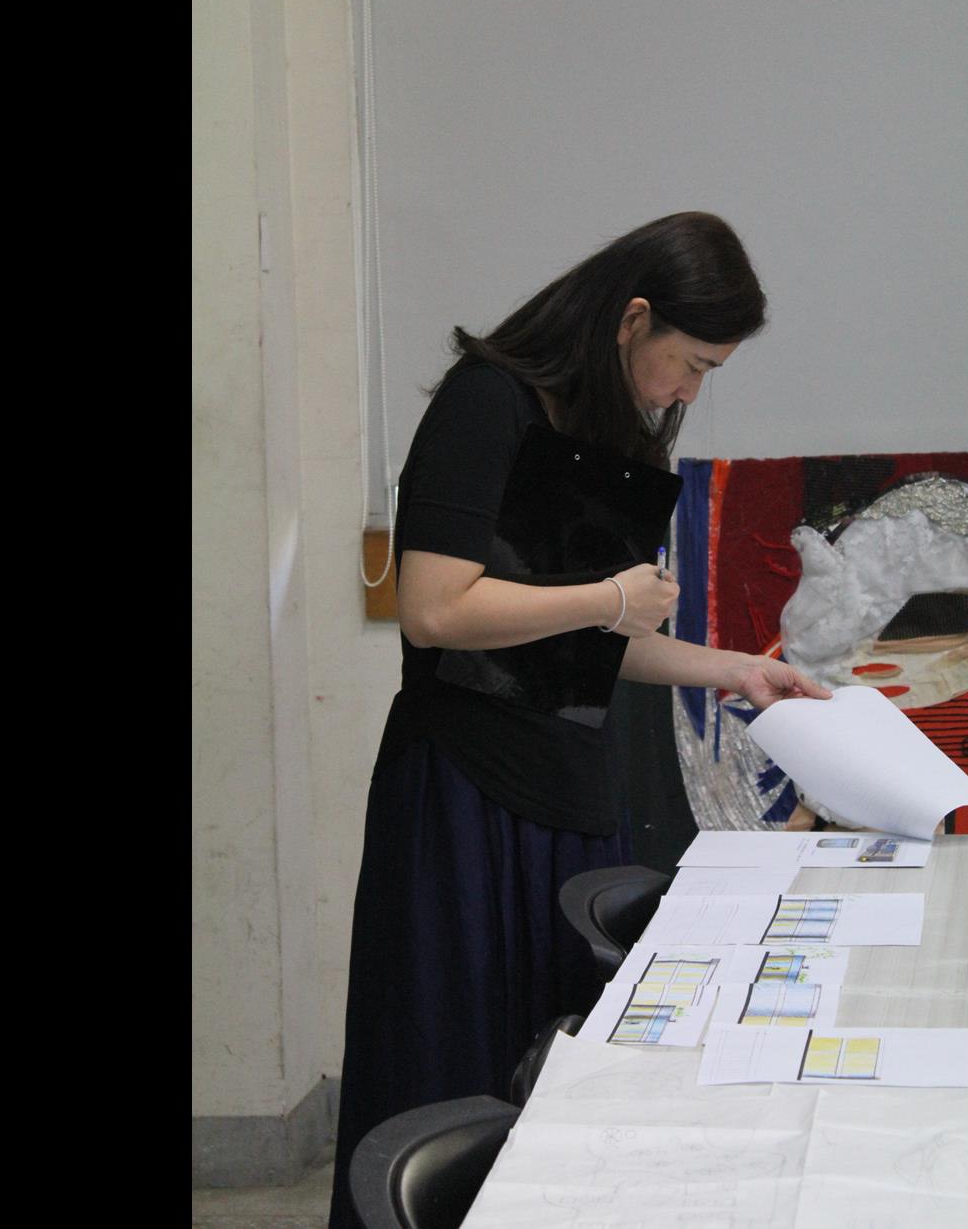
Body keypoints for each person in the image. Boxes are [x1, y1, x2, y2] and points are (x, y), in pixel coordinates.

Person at [327, 211, 829, 1227]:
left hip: (565, 788)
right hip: (465, 796)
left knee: (570, 1094)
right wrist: (607, 597)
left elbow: (582, 637)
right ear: (632, 319)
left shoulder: (598, 427)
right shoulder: (486, 401)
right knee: (453, 1065)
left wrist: (733, 670)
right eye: (690, 364)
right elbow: (434, 609)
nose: (688, 392)